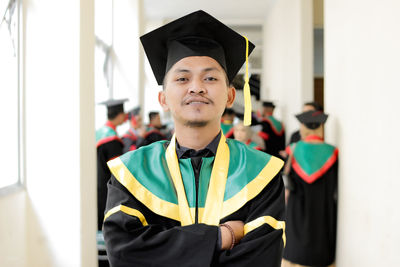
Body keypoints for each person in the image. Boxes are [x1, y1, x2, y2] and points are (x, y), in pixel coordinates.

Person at [103, 10, 286, 267]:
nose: (196, 87)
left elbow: (261, 260)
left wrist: (164, 247)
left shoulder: (261, 172)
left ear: (231, 97)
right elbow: (124, 254)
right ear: (163, 99)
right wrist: (221, 237)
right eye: (182, 78)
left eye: (210, 78)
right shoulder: (131, 172)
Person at [282, 110, 338, 267]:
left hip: (297, 206)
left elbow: (287, 178)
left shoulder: (293, 149)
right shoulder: (332, 152)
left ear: (303, 128)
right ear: (321, 127)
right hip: (323, 207)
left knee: (295, 245)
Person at [95, 98, 127, 231]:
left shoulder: (99, 133)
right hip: (106, 187)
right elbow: (117, 169)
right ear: (120, 115)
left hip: (95, 183)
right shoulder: (112, 139)